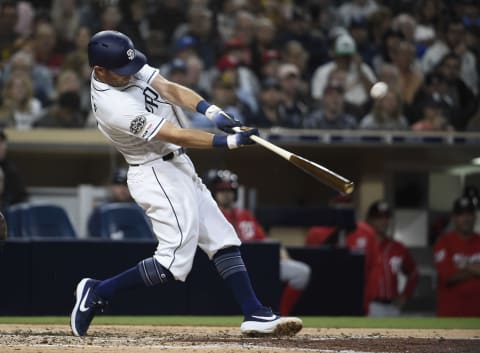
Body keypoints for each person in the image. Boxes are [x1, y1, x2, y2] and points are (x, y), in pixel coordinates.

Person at [70, 30, 302, 338]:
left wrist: (211, 111)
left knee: (223, 239)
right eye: (121, 72)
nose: (130, 74)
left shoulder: (121, 66)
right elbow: (174, 133)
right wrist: (228, 141)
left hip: (178, 164)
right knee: (173, 263)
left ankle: (254, 312)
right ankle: (99, 291)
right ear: (99, 70)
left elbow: (168, 89)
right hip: (155, 173)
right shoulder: (112, 106)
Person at [206, 169, 311, 316]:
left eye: (229, 190)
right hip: (230, 265)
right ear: (214, 193)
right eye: (222, 191)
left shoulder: (245, 215)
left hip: (259, 263)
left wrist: (281, 252)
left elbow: (265, 240)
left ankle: (282, 314)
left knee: (302, 273)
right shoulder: (212, 215)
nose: (226, 194)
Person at [362, 201, 418, 317]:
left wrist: (405, 295)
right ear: (369, 220)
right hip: (370, 305)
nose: (383, 221)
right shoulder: (362, 246)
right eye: (378, 217)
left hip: (392, 306)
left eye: (386, 217)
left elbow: (413, 273)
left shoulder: (398, 248)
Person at [434, 196, 480, 316]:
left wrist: (465, 265)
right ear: (454, 218)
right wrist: (476, 269)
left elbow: (455, 272)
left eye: (469, 214)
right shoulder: (443, 243)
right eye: (461, 215)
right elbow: (448, 276)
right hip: (451, 317)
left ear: (475, 216)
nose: (466, 219)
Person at [87, 167, 134, 238]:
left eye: (126, 184)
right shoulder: (100, 212)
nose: (122, 188)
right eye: (118, 184)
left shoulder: (141, 211)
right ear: (112, 186)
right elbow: (93, 239)